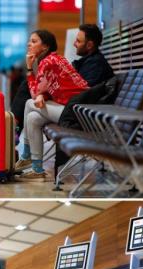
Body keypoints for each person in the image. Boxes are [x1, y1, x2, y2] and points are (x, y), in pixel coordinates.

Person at [15, 30, 89, 180]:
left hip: (76, 113)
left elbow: (34, 94)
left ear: (45, 47)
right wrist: (42, 94)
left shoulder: (47, 62)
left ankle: (27, 155)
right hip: (79, 109)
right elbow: (43, 90)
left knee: (29, 103)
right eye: (30, 41)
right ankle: (37, 168)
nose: (29, 44)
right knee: (33, 118)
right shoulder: (56, 59)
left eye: (34, 41)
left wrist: (30, 69)